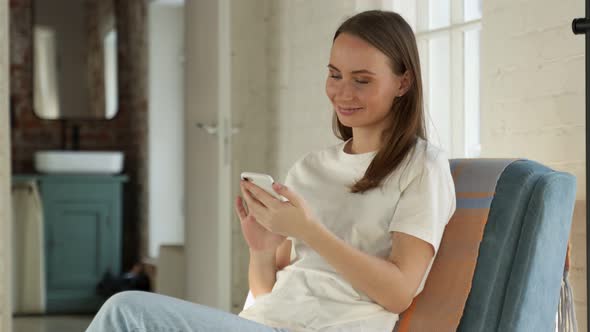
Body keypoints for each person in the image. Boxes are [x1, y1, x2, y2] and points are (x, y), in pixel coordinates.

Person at [85, 9, 456, 332]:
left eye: (362, 80)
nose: (343, 92)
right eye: (334, 75)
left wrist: (311, 231)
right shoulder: (310, 169)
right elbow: (266, 293)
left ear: (403, 82)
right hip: (266, 322)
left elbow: (399, 293)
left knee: (125, 312)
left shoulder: (422, 167)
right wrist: (261, 251)